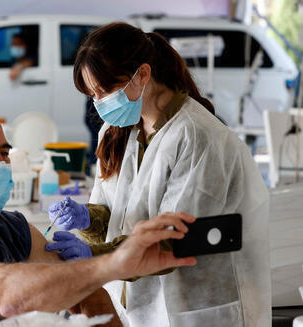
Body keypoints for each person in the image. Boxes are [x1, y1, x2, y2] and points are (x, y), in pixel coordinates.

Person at [0, 91, 197, 327]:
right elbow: (8, 296)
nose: (0, 166)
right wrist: (113, 263)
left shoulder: (6, 226)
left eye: (3, 152)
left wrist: (93, 273)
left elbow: (83, 290)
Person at [45, 23, 271, 327]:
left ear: (142, 74)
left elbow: (174, 238)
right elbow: (119, 217)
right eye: (93, 94)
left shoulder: (197, 136)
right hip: (143, 305)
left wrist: (95, 256)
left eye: (106, 90)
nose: (99, 104)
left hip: (200, 306)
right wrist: (87, 218)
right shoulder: (118, 133)